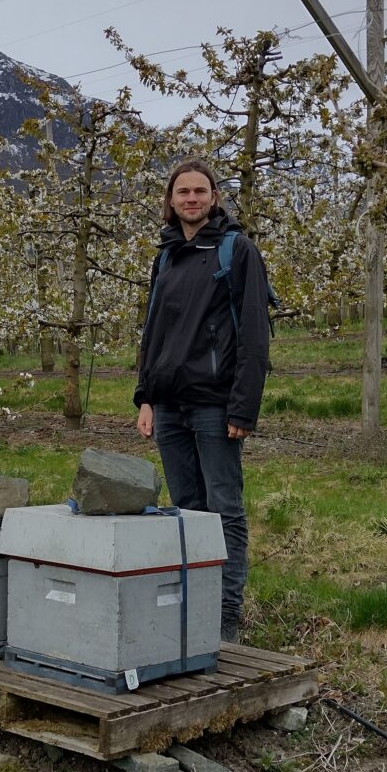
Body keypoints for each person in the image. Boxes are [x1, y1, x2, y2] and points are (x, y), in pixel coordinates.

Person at [134, 157, 271, 643]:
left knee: (223, 510)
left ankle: (226, 618)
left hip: (215, 405)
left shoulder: (237, 250)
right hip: (169, 406)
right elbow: (153, 331)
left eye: (200, 191)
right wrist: (145, 397)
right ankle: (193, 611)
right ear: (171, 201)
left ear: (214, 198)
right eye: (183, 191)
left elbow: (254, 332)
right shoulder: (166, 256)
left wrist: (243, 407)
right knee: (186, 512)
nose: (191, 198)